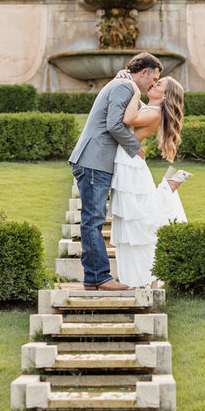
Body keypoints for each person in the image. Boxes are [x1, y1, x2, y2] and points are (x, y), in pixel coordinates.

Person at [68, 52, 161, 290]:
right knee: (93, 220)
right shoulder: (124, 87)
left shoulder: (125, 85)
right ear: (144, 72)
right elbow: (114, 125)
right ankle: (98, 278)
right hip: (93, 161)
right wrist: (135, 147)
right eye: (154, 79)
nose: (153, 84)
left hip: (96, 161)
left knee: (93, 219)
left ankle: (95, 278)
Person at [108, 72, 188, 288]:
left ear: (165, 95)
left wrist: (133, 88)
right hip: (128, 161)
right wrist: (122, 80)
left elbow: (127, 119)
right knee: (132, 218)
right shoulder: (150, 108)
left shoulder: (154, 113)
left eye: (159, 83)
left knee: (139, 218)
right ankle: (141, 278)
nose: (153, 83)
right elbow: (132, 108)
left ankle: (170, 186)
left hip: (130, 165)